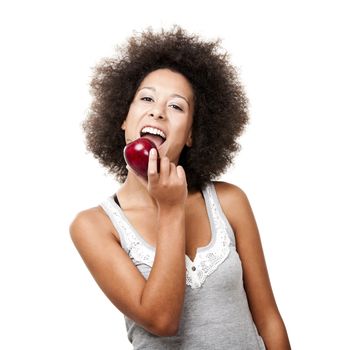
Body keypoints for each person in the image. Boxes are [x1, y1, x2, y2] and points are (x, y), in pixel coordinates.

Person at [70, 26, 291, 349]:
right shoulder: (94, 225)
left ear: (190, 134)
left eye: (176, 106)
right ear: (123, 119)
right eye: (146, 98)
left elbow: (269, 320)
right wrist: (170, 209)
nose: (157, 111)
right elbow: (162, 319)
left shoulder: (230, 201)